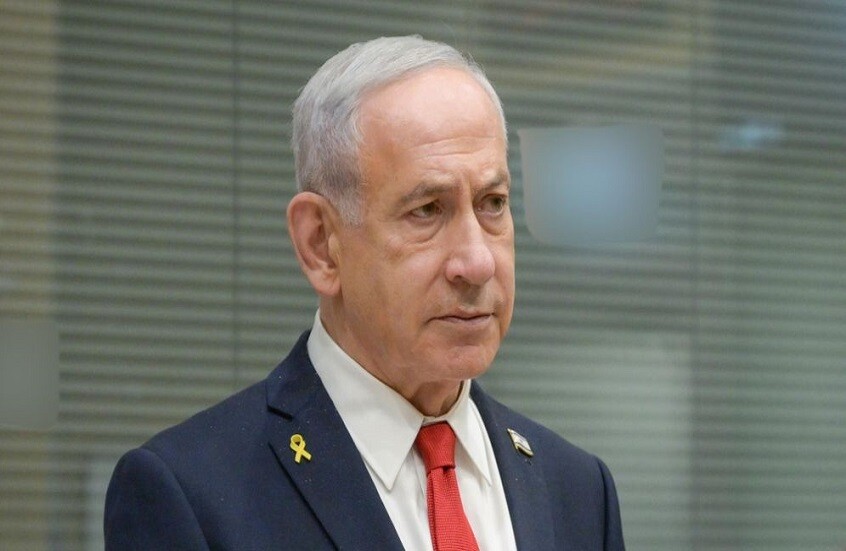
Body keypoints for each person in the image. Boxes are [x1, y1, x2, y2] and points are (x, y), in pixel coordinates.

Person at [104, 35, 625, 550]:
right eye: (427, 211)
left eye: (492, 203)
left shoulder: (578, 492)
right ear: (320, 244)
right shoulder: (191, 497)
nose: (477, 262)